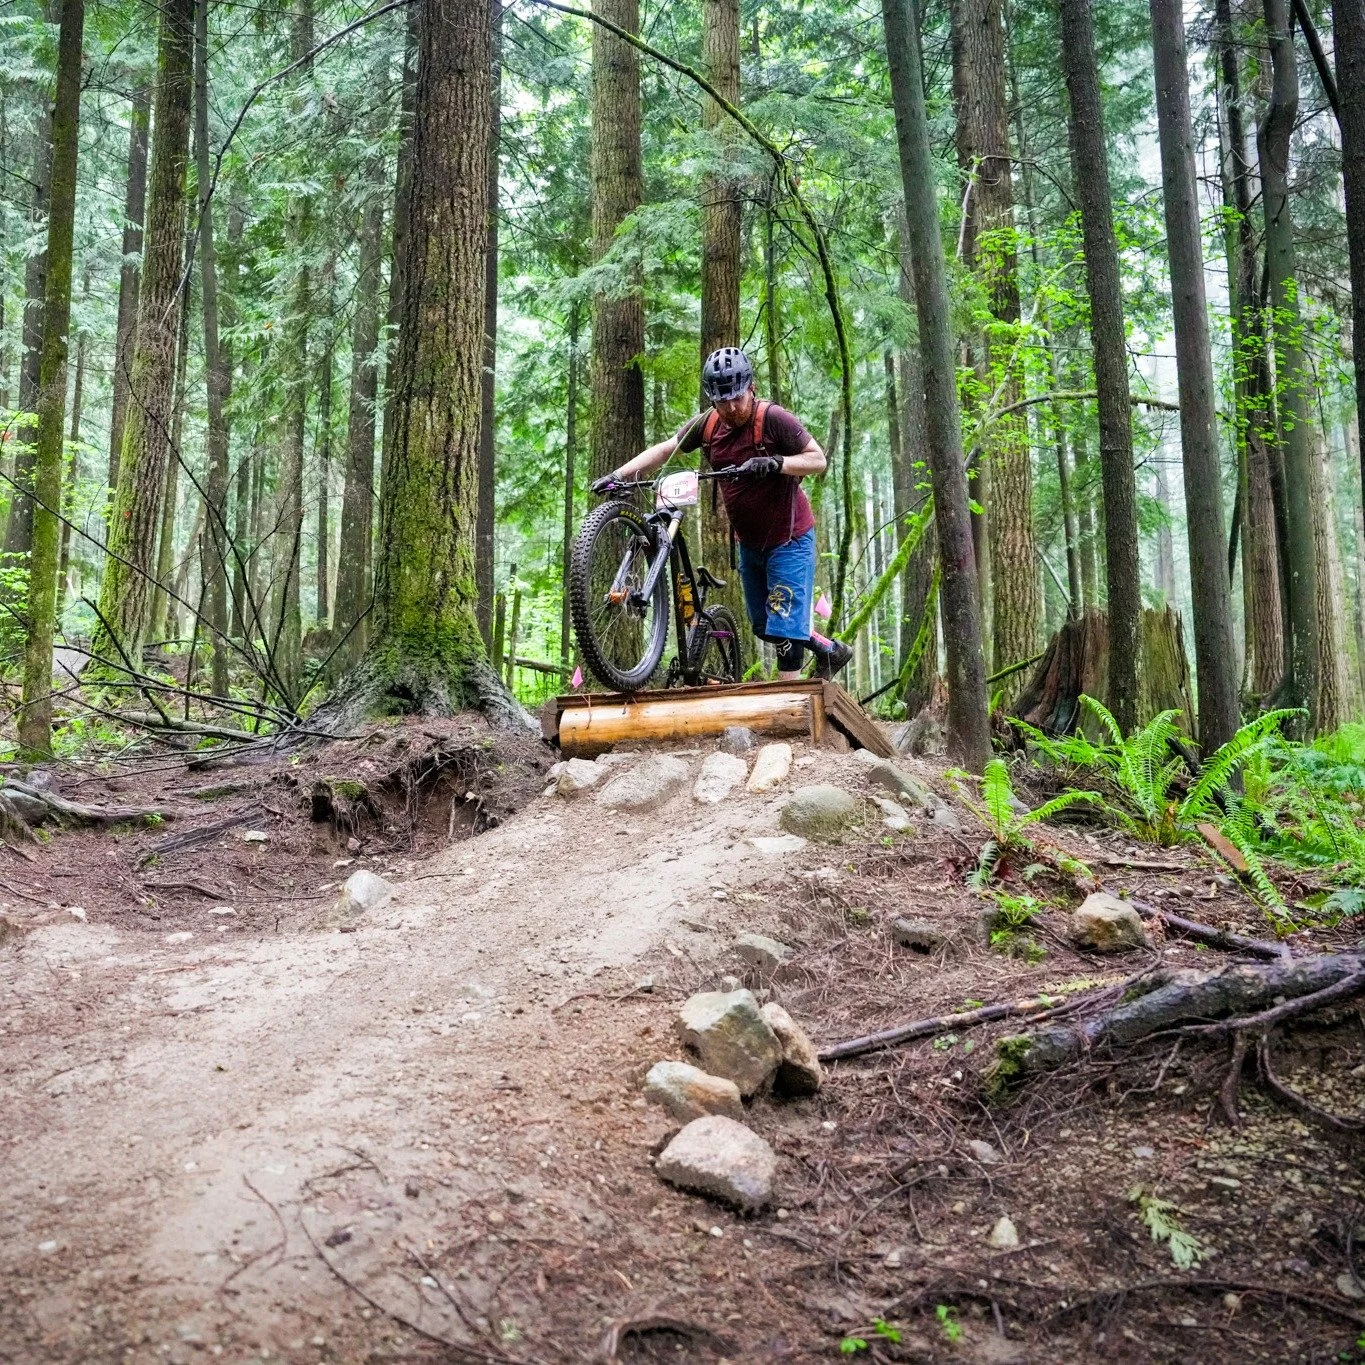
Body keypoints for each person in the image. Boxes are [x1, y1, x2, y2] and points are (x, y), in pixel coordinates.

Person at [591, 346, 853, 681]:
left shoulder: (773, 419)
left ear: (751, 389)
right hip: (750, 542)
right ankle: (831, 651)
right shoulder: (709, 424)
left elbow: (818, 460)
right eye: (721, 400)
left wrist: (776, 463)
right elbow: (666, 448)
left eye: (737, 398)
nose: (730, 408)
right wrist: (619, 475)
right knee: (765, 626)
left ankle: (793, 707)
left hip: (790, 540)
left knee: (785, 627)